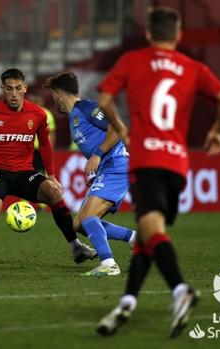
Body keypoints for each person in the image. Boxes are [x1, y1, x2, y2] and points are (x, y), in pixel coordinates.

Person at [94, 6, 220, 337]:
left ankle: (179, 290)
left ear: (148, 34)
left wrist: (120, 127)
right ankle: (127, 302)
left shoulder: (133, 61)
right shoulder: (193, 67)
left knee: (152, 229)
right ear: (178, 35)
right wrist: (216, 131)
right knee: (145, 237)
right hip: (176, 163)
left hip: (146, 160)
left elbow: (104, 99)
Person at [0, 68, 96, 271]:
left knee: (53, 193)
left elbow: (44, 145)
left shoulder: (38, 114)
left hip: (25, 172)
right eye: (9, 89)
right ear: (2, 89)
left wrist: (51, 175)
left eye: (18, 88)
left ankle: (76, 247)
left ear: (25, 88)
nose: (14, 94)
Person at [44, 72, 136, 277]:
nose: (54, 101)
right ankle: (134, 239)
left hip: (117, 164)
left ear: (59, 94)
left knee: (88, 217)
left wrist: (98, 153)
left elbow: (117, 127)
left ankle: (109, 263)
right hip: (107, 169)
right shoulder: (73, 118)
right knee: (80, 224)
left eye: (53, 95)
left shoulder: (85, 108)